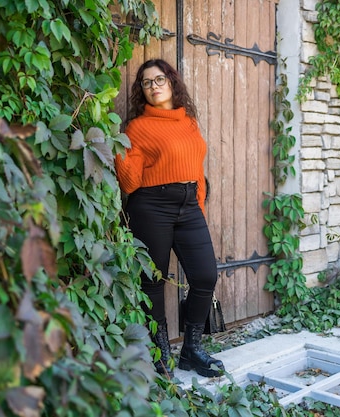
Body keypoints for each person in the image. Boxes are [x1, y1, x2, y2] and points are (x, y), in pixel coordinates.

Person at [114, 59, 225, 378]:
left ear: (172, 82)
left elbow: (196, 170)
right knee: (153, 281)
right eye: (146, 82)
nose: (153, 86)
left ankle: (191, 350)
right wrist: (120, 149)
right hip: (151, 206)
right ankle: (160, 352)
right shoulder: (136, 127)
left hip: (189, 206)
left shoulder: (189, 121)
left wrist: (198, 206)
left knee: (205, 276)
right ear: (141, 91)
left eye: (159, 79)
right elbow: (130, 183)